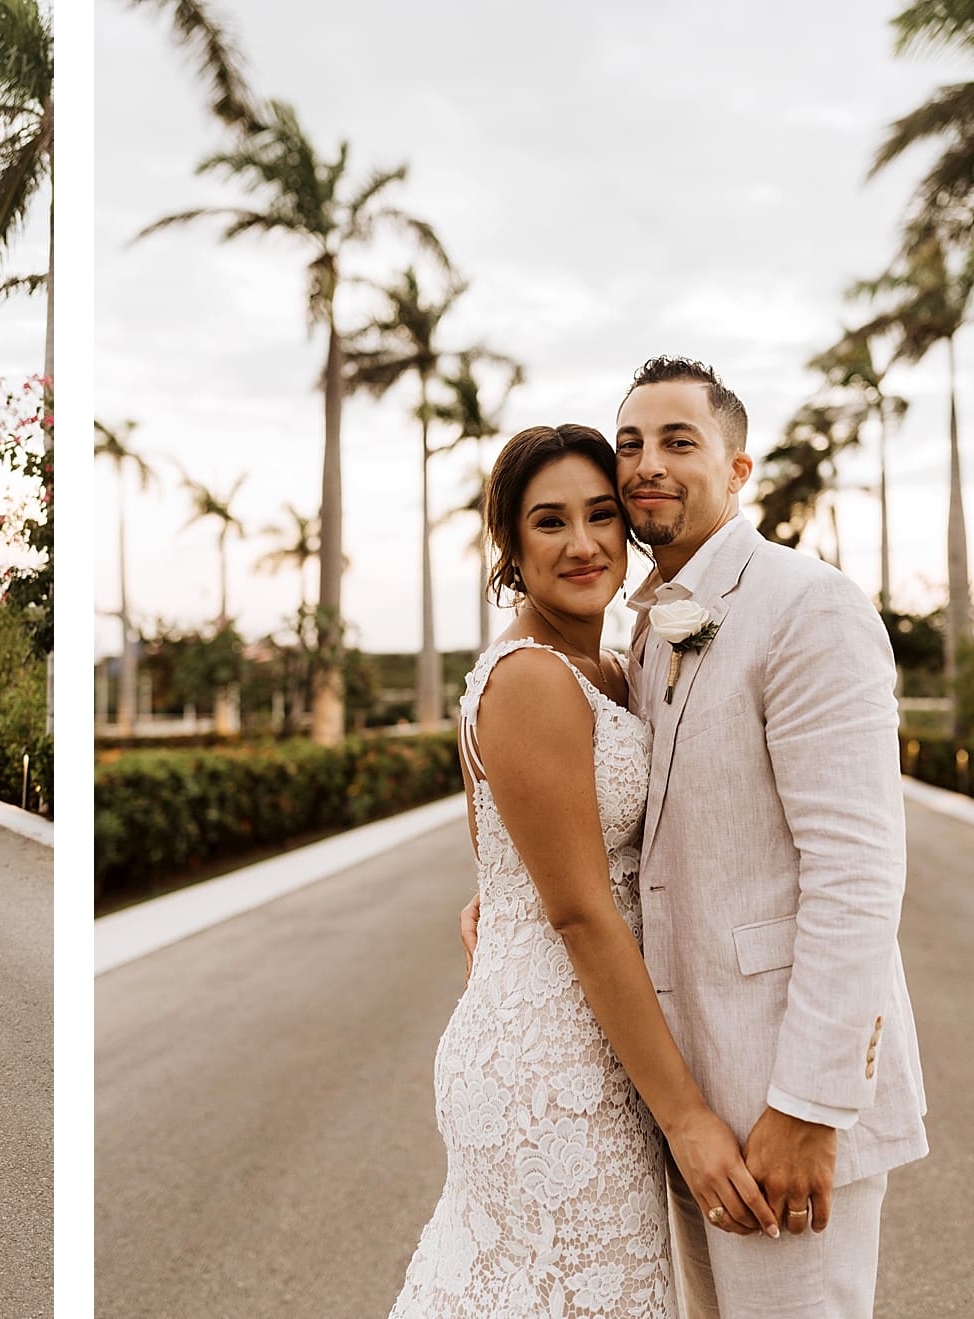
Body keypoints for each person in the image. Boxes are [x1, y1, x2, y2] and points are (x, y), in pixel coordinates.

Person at [390, 423, 775, 1318]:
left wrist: (497, 900)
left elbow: (519, 852)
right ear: (512, 549)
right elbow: (578, 914)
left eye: (601, 514)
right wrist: (687, 1118)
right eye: (550, 522)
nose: (584, 542)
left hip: (601, 1042)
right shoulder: (529, 677)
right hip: (553, 1066)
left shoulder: (605, 665)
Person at [608, 358, 924, 1317]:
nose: (645, 465)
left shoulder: (807, 604)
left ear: (738, 468)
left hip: (784, 1093)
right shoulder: (651, 631)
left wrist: (810, 1105)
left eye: (677, 441)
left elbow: (857, 871)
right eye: (629, 445)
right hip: (693, 1095)